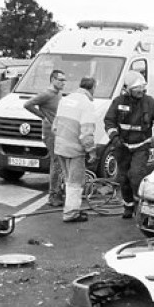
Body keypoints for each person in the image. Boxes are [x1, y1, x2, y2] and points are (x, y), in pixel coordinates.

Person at [104, 71, 154, 219]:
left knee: (136, 176)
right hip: (123, 146)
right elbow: (109, 121)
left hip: (141, 145)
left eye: (142, 88)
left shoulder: (151, 103)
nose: (140, 91)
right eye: (136, 88)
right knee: (123, 178)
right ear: (128, 89)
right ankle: (128, 207)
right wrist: (114, 137)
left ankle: (141, 206)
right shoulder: (118, 102)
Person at [53, 77, 98, 222]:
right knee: (75, 182)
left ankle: (70, 208)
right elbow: (86, 132)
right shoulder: (86, 104)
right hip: (74, 149)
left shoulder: (65, 100)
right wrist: (91, 151)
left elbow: (55, 126)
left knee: (68, 180)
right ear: (93, 88)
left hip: (60, 146)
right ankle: (71, 213)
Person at [24, 69, 66, 207]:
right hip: (50, 133)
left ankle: (57, 192)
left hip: (58, 130)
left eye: (64, 80)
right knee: (56, 162)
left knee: (59, 162)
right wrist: (43, 116)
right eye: (60, 80)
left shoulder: (58, 93)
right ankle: (53, 195)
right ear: (53, 79)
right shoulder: (47, 93)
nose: (63, 83)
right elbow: (28, 104)